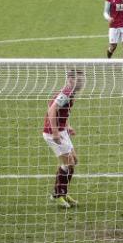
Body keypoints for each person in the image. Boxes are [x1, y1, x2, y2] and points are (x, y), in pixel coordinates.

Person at [43, 69, 85, 208]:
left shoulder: (71, 92)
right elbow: (52, 110)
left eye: (82, 80)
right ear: (70, 80)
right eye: (78, 80)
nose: (81, 82)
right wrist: (55, 132)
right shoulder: (66, 93)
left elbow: (61, 112)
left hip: (62, 130)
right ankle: (58, 195)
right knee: (69, 163)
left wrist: (67, 126)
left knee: (73, 161)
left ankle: (62, 192)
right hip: (53, 132)